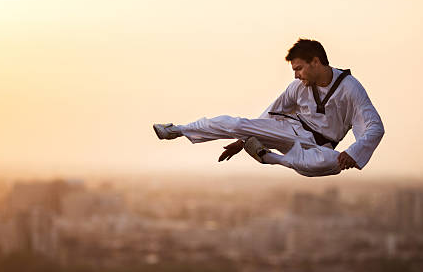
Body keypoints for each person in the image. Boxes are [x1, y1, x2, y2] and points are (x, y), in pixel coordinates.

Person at [153, 38, 384, 177]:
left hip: (318, 147)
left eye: (300, 68)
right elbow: (270, 115)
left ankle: (267, 157)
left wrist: (353, 152)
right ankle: (177, 130)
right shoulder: (297, 87)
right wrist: (243, 139)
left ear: (316, 61)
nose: (296, 74)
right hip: (289, 130)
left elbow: (374, 127)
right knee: (237, 124)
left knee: (326, 164)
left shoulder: (350, 88)